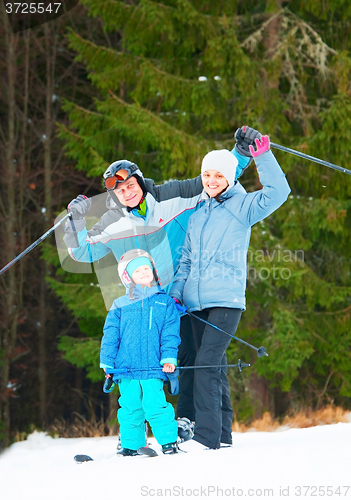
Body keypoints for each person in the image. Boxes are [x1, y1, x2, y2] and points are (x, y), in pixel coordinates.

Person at [63, 143, 247, 424]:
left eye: (131, 185)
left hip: (183, 295)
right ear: (114, 195)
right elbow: (82, 252)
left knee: (195, 357)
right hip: (146, 303)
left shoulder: (170, 195)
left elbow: (216, 178)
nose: (128, 192)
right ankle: (139, 428)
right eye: (120, 190)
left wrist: (242, 153)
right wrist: (75, 221)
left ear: (139, 180)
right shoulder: (111, 224)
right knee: (147, 368)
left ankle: (194, 420)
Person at [170, 128, 291, 450]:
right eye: (206, 174)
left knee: (208, 363)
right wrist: (177, 292)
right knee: (209, 365)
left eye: (218, 175)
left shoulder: (243, 207)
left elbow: (279, 191)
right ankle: (222, 434)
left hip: (225, 300)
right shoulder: (197, 216)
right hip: (194, 304)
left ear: (229, 178)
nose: (211, 180)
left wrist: (261, 155)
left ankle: (205, 436)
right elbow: (185, 261)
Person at [100, 249, 181, 455]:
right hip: (126, 369)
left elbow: (170, 335)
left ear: (153, 271)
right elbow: (110, 337)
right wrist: (108, 363)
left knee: (155, 405)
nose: (144, 272)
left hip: (154, 367)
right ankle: (131, 445)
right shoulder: (119, 305)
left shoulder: (165, 303)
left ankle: (169, 442)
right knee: (130, 408)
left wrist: (169, 358)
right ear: (128, 278)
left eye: (147, 268)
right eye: (138, 271)